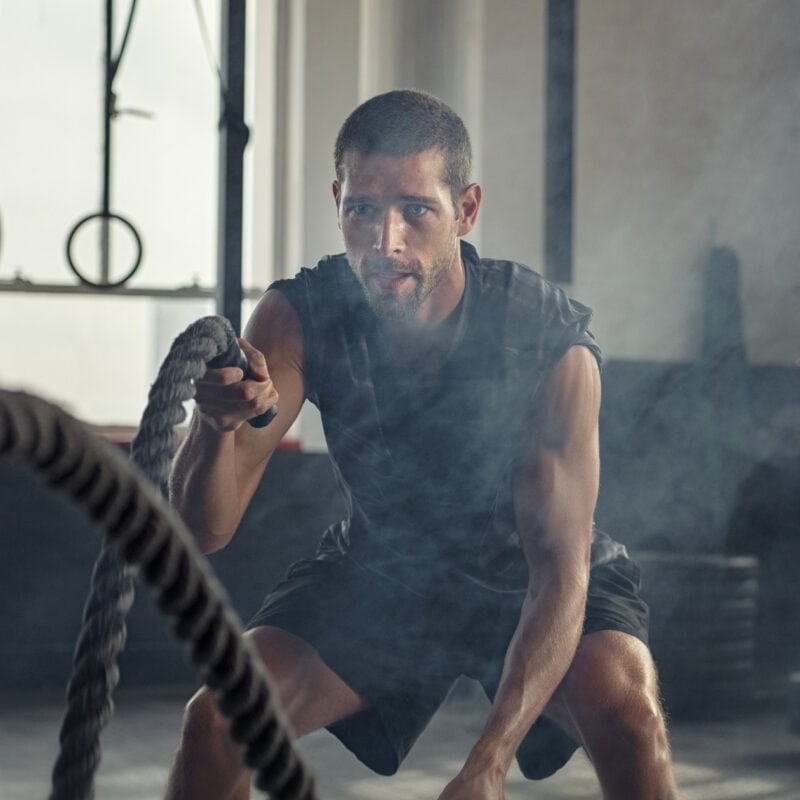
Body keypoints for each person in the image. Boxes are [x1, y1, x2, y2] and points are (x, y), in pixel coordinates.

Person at [165, 89, 680, 799]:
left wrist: (488, 763)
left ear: (465, 211)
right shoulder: (298, 316)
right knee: (220, 719)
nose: (387, 243)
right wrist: (217, 430)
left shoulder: (546, 339)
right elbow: (203, 530)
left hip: (525, 577)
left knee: (626, 709)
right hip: (385, 571)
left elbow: (559, 573)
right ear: (339, 200)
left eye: (416, 210)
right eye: (364, 210)